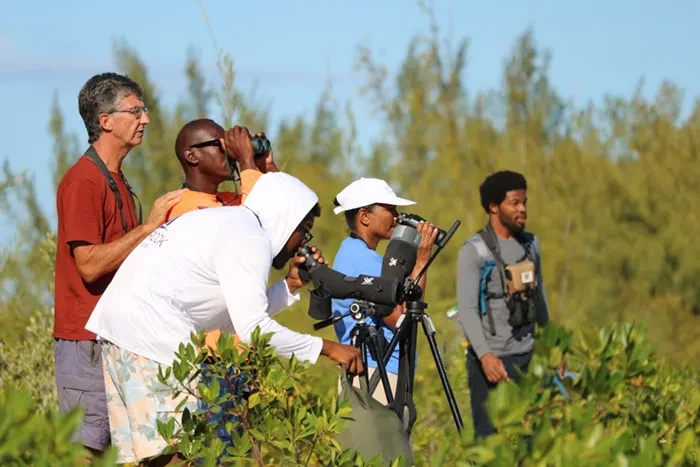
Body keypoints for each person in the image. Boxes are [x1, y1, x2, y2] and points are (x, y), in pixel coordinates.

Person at [84, 172, 364, 465]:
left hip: (123, 332)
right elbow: (254, 328)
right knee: (183, 453)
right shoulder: (249, 238)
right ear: (285, 218)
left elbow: (239, 313)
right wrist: (327, 348)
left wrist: (289, 286)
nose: (301, 242)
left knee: (157, 455)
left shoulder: (232, 224)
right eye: (303, 230)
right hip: (151, 338)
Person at [53, 71, 184, 456]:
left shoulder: (118, 181)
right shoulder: (84, 182)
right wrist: (148, 228)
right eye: (136, 110)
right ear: (105, 120)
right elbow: (89, 265)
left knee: (148, 449)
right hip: (86, 341)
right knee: (86, 452)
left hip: (121, 338)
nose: (146, 119)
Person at [165, 120, 279, 352]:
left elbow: (282, 216)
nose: (229, 153)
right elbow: (249, 226)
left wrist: (266, 166)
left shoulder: (227, 200)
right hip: (208, 354)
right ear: (191, 155)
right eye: (220, 145)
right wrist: (246, 161)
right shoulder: (182, 207)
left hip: (240, 350)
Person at [456, 170, 550, 438]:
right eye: (514, 203)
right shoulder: (474, 251)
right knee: (489, 441)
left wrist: (552, 346)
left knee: (533, 440)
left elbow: (540, 298)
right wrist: (485, 356)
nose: (522, 209)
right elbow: (467, 310)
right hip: (492, 364)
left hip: (529, 358)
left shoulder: (532, 246)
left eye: (524, 202)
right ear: (493, 207)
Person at [330, 178, 438, 404]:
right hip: (377, 373)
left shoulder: (349, 251)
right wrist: (421, 261)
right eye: (389, 209)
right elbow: (404, 320)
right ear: (365, 216)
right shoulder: (365, 263)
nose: (397, 217)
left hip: (371, 370)